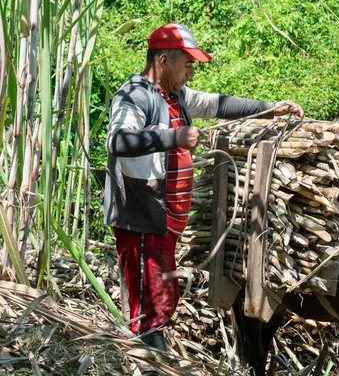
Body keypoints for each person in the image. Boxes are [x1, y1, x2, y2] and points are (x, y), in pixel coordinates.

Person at [103, 23, 303, 351]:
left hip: (165, 216)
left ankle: (152, 354)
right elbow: (118, 140)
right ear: (164, 61)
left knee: (163, 294)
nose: (192, 73)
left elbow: (219, 104)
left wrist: (270, 108)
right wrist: (173, 137)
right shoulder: (135, 95)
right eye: (188, 64)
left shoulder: (175, 95)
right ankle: (148, 360)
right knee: (150, 298)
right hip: (140, 213)